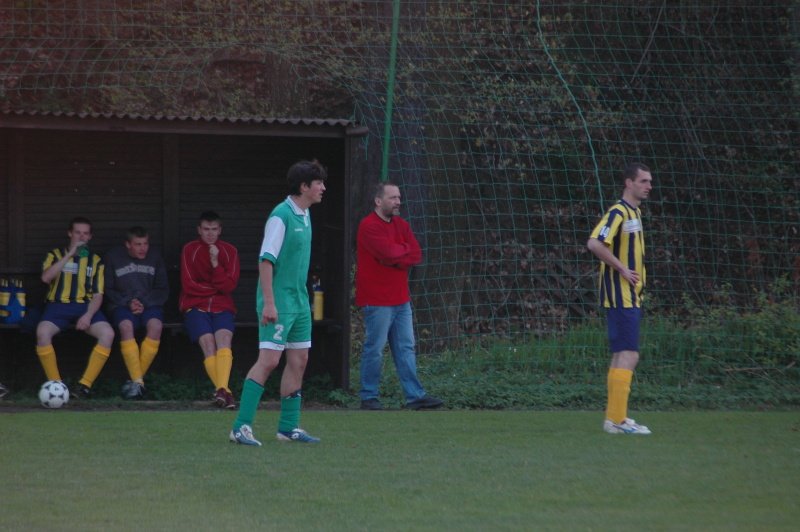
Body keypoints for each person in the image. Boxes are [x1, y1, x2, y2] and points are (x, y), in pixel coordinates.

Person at [229, 160, 327, 446]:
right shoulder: (281, 215)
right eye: (319, 183)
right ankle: (240, 427)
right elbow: (265, 260)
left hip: (299, 301)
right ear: (304, 187)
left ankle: (288, 428)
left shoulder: (305, 214)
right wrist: (269, 303)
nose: (323, 188)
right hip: (279, 302)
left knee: (299, 360)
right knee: (269, 360)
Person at [355, 182, 444, 411]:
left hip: (401, 298)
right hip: (377, 299)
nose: (398, 202)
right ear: (378, 201)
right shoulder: (368, 226)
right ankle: (369, 396)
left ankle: (415, 397)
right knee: (375, 348)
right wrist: (400, 253)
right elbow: (387, 253)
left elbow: (415, 254)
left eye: (399, 197)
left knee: (406, 347)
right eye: (393, 198)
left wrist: (397, 256)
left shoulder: (401, 225)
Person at [587, 162, 654, 435]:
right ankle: (618, 420)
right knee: (629, 354)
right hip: (621, 295)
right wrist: (622, 268)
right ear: (629, 183)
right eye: (643, 181)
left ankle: (613, 419)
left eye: (650, 181)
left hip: (628, 296)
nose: (649, 186)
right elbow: (594, 243)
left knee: (621, 354)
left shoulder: (634, 212)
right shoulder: (618, 212)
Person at [35, 217, 115, 397]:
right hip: (58, 306)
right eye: (78, 232)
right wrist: (69, 254)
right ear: (70, 233)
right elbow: (46, 278)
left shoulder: (95, 260)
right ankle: (56, 386)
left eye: (85, 234)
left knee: (108, 334)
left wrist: (88, 316)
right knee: (42, 333)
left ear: (90, 237)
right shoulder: (54, 255)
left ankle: (84, 386)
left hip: (85, 307)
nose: (81, 237)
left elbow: (98, 295)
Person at [179, 211, 240, 409]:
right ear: (199, 230)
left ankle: (221, 391)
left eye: (214, 229)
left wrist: (215, 264)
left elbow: (229, 286)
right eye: (206, 229)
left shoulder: (230, 251)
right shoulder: (189, 249)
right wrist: (216, 289)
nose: (210, 233)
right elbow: (189, 285)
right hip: (195, 305)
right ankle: (225, 391)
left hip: (222, 306)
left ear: (220, 230)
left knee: (224, 340)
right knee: (208, 343)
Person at [104, 226, 169, 399]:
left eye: (145, 243)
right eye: (138, 244)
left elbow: (162, 288)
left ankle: (135, 382)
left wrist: (144, 303)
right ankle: (138, 382)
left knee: (156, 326)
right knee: (126, 327)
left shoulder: (155, 257)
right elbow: (107, 289)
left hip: (149, 304)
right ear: (128, 244)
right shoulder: (113, 257)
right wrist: (128, 302)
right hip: (122, 305)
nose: (143, 248)